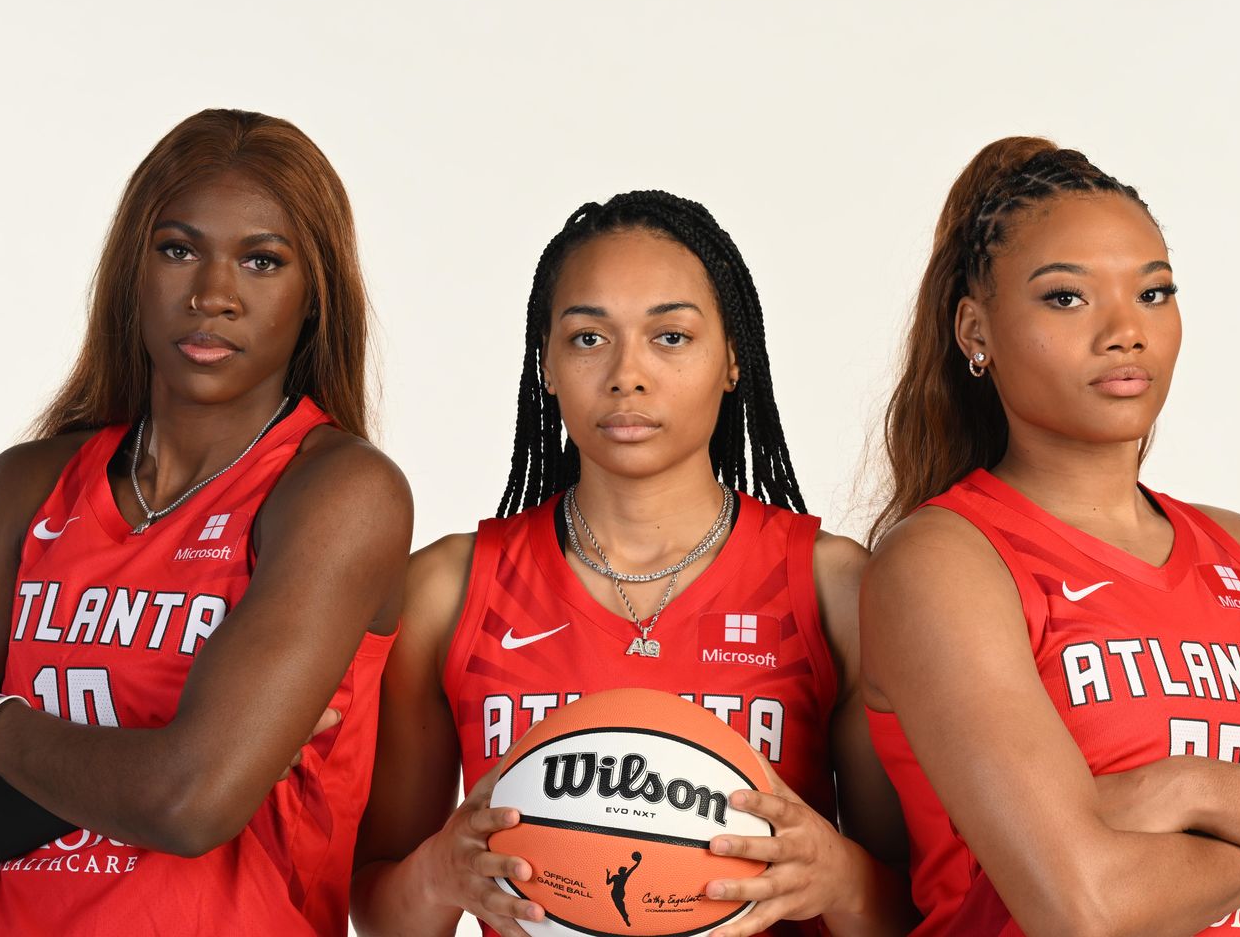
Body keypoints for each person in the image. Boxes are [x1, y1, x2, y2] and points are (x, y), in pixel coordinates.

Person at [861, 138, 1240, 936]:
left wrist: (1195, 788)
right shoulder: (943, 562)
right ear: (976, 331)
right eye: (1067, 299)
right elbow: (1088, 906)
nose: (1125, 331)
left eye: (1154, 292)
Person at [0, 109, 409, 936]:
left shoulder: (336, 492)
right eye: (178, 249)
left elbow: (189, 805)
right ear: (133, 271)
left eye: (262, 261)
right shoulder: (25, 487)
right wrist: (178, 764)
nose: (213, 295)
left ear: (313, 298)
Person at [350, 191, 915, 937]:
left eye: (671, 337)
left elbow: (914, 911)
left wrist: (838, 876)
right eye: (588, 339)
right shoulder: (446, 591)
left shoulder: (834, 587)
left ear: (733, 358)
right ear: (545, 364)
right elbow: (378, 908)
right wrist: (439, 873)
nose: (627, 374)